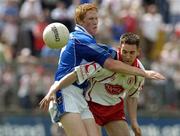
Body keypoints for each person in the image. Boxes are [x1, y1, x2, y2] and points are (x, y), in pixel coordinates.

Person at [40, 3, 165, 136]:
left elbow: (105, 56)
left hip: (80, 95)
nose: (95, 22)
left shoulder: (85, 39)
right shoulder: (81, 39)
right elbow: (110, 64)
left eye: (96, 19)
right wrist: (144, 73)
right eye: (91, 19)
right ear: (80, 21)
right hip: (66, 92)